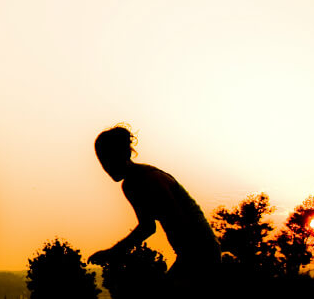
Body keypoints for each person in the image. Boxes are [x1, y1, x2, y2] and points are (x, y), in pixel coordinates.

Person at [87, 125, 220, 297]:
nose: (106, 167)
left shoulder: (147, 179)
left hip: (201, 253)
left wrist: (113, 252)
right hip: (191, 253)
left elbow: (174, 222)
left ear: (124, 154)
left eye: (108, 159)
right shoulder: (131, 183)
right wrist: (114, 253)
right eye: (102, 161)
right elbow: (148, 226)